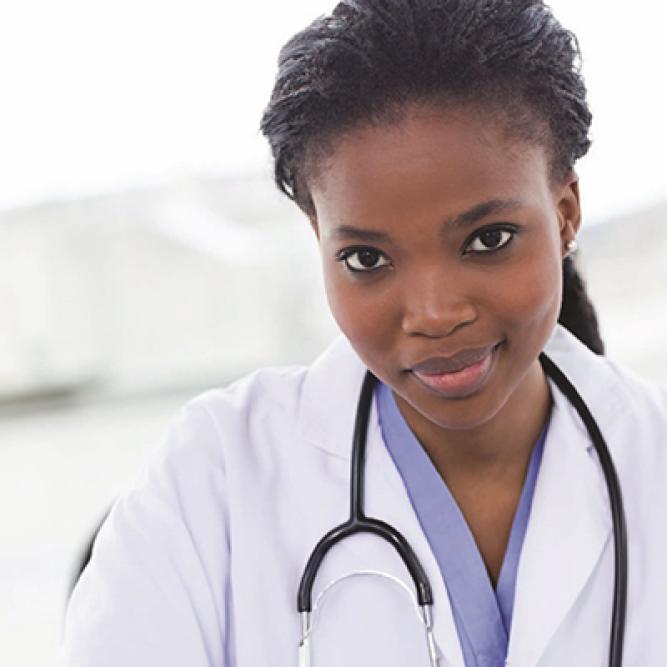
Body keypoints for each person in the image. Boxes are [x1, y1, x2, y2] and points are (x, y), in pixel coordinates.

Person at [58, 1, 667, 665]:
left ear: (565, 213)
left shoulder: (651, 459)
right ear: (319, 241)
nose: (433, 313)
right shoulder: (214, 478)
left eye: (487, 240)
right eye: (366, 259)